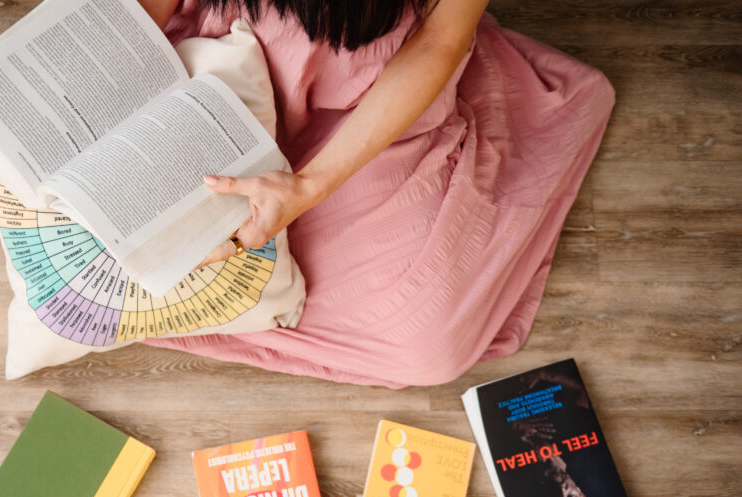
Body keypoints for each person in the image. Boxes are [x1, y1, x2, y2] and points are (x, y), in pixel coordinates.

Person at [138, 0, 616, 388]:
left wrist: (309, 187)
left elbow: (437, 42)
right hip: (220, 68)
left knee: (424, 345)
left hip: (361, 105)